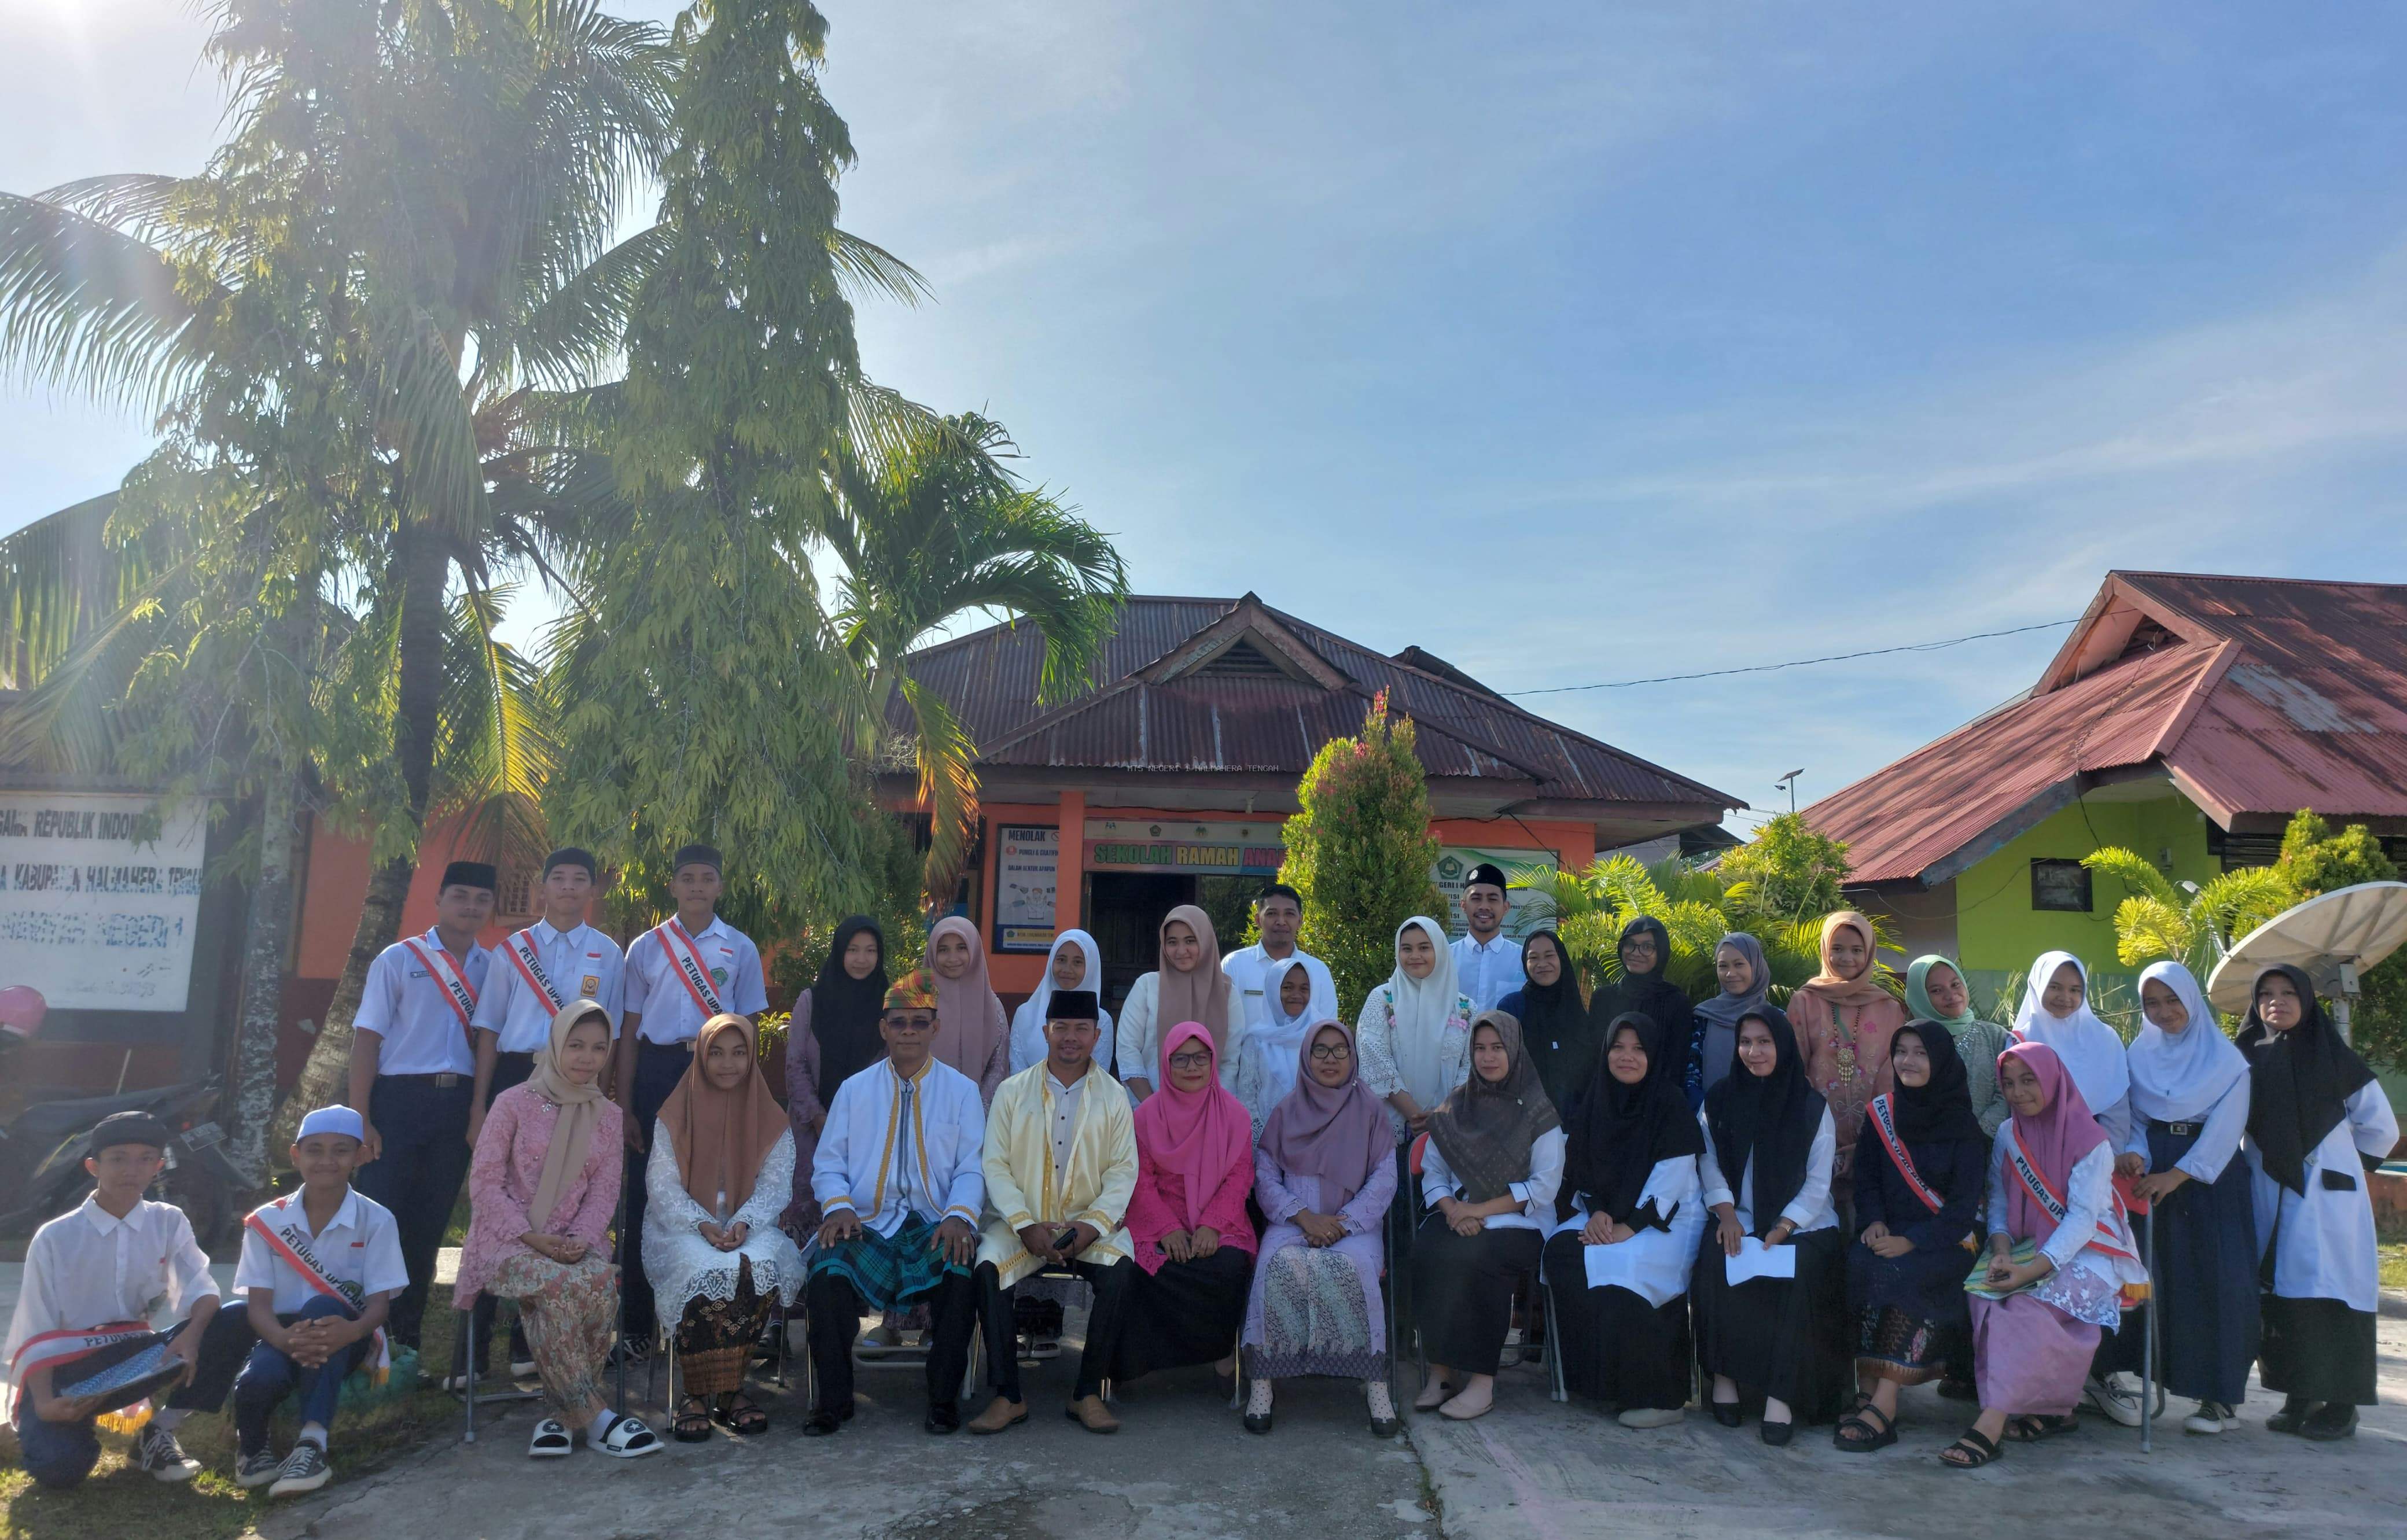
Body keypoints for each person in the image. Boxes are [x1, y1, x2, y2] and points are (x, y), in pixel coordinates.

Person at [3, 1112, 257, 1488]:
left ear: (158, 1167)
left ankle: (156, 1435)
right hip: (66, 1372)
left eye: (144, 1159)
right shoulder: (56, 1237)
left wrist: (192, 1335)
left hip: (134, 1360)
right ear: (93, 1166)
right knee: (58, 1470)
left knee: (235, 1318)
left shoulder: (168, 1221)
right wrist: (43, 1403)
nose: (131, 1170)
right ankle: (70, 1431)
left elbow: (200, 1290)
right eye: (118, 1158)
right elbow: (35, 1328)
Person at [457, 1002, 658, 1458]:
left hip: (572, 1244)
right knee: (561, 1288)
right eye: (576, 1046)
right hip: (506, 1242)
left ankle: (559, 1417)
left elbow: (603, 1195)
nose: (586, 1058)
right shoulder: (512, 1103)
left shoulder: (608, 1116)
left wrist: (580, 1241)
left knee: (601, 1283)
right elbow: (484, 1185)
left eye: (598, 1048)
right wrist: (532, 1238)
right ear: (555, 1044)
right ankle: (598, 1418)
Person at [1941, 1042, 2145, 1469]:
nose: (2017, 1093)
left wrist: (2030, 1271)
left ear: (2053, 1080)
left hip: (2090, 1253)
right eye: (2009, 1083)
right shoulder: (2007, 1134)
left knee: (2025, 1307)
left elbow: (2083, 1219)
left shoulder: (2091, 1140)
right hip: (2026, 1244)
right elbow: (1997, 1198)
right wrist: (2000, 1251)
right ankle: (2055, 1410)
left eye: (2028, 1080)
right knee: (1986, 1295)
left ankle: (1990, 1425)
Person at [804, 974, 987, 1436]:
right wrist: (839, 1207)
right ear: (883, 1028)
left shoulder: (963, 1092)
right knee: (826, 1271)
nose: (909, 1031)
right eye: (899, 1022)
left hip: (932, 1223)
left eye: (919, 1023)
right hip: (867, 1222)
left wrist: (959, 1216)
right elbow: (827, 1165)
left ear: (935, 1029)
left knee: (962, 1270)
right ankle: (834, 1401)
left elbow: (973, 1168)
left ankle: (943, 1399)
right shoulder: (853, 1090)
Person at [464, 846, 620, 1386]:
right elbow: (488, 1028)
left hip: (578, 1085)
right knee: (500, 1203)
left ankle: (528, 1345)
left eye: (581, 879)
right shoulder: (513, 949)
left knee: (559, 1199)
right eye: (560, 879)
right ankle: (474, 1352)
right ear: (542, 888)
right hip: (517, 1078)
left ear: (593, 890)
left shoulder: (607, 953)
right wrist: (480, 1104)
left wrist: (604, 1096)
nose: (570, 888)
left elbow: (611, 1037)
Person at [615, 845, 770, 1347]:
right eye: (688, 878)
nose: (698, 887)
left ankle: (713, 1319)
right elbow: (631, 1028)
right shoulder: (646, 947)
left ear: (721, 887)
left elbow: (749, 1026)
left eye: (707, 878)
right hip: (658, 1070)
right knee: (646, 1191)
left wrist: (746, 1091)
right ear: (673, 886)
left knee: (716, 1184)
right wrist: (625, 1102)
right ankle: (638, 1323)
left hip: (716, 1069)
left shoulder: (740, 948)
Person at [969, 992, 1141, 1435]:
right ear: (1045, 1032)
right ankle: (1008, 1396)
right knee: (988, 1267)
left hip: (1088, 1226)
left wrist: (1093, 1224)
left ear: (1097, 1036)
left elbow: (1124, 1169)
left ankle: (1086, 1393)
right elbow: (995, 1163)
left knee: (1121, 1270)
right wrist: (1024, 1224)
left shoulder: (1114, 1097)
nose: (1071, 1038)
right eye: (1061, 1027)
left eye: (1081, 1029)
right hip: (1022, 1224)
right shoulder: (1012, 1092)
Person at [2096, 960, 2255, 1435]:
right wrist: (2136, 1155)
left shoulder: (2228, 1061)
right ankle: (2141, 1381)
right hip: (2154, 1175)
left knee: (2217, 1282)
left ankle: (2219, 1399)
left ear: (2190, 1000)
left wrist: (2176, 1176)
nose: (2164, 1012)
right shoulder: (2139, 1055)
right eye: (2152, 1003)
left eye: (2172, 1000)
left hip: (2210, 1178)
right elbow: (2140, 1118)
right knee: (2158, 1279)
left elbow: (2228, 1130)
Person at [2241, 963, 2397, 1442]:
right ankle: (2298, 1395)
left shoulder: (2336, 1058)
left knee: (2333, 1292)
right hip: (2269, 1189)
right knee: (2283, 1294)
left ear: (2308, 1000)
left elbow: (2382, 1129)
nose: (2277, 1002)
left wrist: (2342, 1162)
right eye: (2266, 993)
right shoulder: (2243, 1058)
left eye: (2289, 993)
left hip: (2328, 1198)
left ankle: (2343, 1405)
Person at [347, 859, 494, 1361]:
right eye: (461, 895)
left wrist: (478, 1113)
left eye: (481, 899)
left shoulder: (492, 967)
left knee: (430, 1224)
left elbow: (488, 1047)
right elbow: (367, 1041)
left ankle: (405, 1343)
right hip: (397, 1101)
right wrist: (360, 1118)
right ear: (439, 899)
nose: (470, 906)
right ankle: (360, 1340)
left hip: (456, 1106)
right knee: (381, 1218)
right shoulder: (398, 958)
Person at [642, 1013, 805, 1442]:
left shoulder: (771, 1117)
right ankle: (696, 1393)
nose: (728, 1063)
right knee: (701, 1271)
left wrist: (744, 1222)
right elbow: (661, 1186)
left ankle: (733, 1389)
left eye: (739, 1053)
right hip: (680, 1225)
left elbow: (776, 1184)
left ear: (752, 1058)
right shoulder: (674, 1113)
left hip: (750, 1223)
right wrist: (701, 1224)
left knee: (758, 1268)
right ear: (700, 1056)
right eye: (716, 1053)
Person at [230, 1106, 409, 1496]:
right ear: (295, 1156)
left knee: (324, 1309)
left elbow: (380, 1306)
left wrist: (353, 1330)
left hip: (349, 1330)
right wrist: (283, 1340)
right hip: (284, 1331)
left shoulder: (377, 1220)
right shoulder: (266, 1222)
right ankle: (253, 1450)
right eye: (314, 1150)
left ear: (360, 1156)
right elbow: (258, 1307)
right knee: (260, 1377)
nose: (327, 1161)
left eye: (341, 1150)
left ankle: (312, 1446)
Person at [1541, 1014, 1707, 1428]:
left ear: (1653, 1056)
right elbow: (1583, 1167)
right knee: (1563, 1253)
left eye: (1638, 1049)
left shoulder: (1669, 1105)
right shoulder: (1597, 1100)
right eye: (1618, 1047)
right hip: (1607, 1215)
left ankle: (1660, 1396)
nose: (1627, 1057)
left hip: (1667, 1220)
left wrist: (1627, 1227)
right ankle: (1596, 1385)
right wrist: (1599, 1211)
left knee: (1620, 1269)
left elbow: (1671, 1181)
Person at [1694, 1005, 1848, 1443]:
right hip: (1738, 1216)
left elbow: (1820, 1182)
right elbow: (1707, 1161)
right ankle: (1724, 1379)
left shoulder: (1810, 1106)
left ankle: (1781, 1396)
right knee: (1714, 1258)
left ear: (1783, 1046)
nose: (1754, 1052)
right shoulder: (1719, 1099)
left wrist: (1783, 1227)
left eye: (1765, 1042)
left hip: (1803, 1222)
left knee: (1799, 1275)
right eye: (1746, 1042)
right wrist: (1726, 1213)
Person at [1836, 1020, 1988, 1452]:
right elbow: (1866, 1180)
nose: (1908, 1061)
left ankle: (1884, 1406)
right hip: (1891, 1232)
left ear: (1940, 1061)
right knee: (1860, 1263)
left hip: (1947, 1241)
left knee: (1900, 1274)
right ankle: (1867, 1387)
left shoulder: (1964, 1128)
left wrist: (1913, 1240)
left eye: (1920, 1052)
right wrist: (1874, 1222)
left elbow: (1962, 1210)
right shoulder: (1882, 1113)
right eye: (1901, 1050)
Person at [1244, 1018, 1401, 1436]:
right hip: (1292, 1222)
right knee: (1273, 1266)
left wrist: (1343, 1225)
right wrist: (1303, 1216)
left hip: (1354, 1226)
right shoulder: (1285, 1110)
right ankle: (1263, 1385)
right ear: (1306, 1057)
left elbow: (1385, 1179)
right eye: (1320, 1050)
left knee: (1357, 1271)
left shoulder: (1371, 1112)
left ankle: (1375, 1385)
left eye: (1340, 1050)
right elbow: (1265, 1175)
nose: (1330, 1059)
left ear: (1353, 1056)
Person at [1411, 1012, 1563, 1422]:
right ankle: (1441, 1373)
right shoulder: (1456, 1106)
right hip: (1459, 1212)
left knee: (1480, 1258)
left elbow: (1544, 1187)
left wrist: (1477, 1209)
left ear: (1514, 1049)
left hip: (1522, 1222)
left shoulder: (1538, 1109)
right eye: (1480, 1048)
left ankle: (1481, 1382)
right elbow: (1435, 1173)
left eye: (1497, 1047)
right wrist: (1453, 1211)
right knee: (1427, 1250)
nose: (1488, 1057)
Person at [1114, 1022, 1258, 1389]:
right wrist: (1168, 1227)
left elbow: (1239, 1178)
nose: (1192, 1067)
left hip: (1219, 1224)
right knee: (1139, 1269)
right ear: (1165, 1064)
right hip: (1160, 1221)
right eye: (1181, 1059)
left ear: (1213, 1061)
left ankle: (1220, 1349)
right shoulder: (1146, 1117)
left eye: (1200, 1058)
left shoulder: (1235, 1116)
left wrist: (1212, 1224)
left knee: (1228, 1266)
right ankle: (1146, 1360)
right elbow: (1139, 1181)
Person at [1783, 911, 1905, 1197]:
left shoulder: (1889, 1008)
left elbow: (1892, 1073)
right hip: (1816, 1131)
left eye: (1857, 950)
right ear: (1825, 950)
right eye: (1837, 949)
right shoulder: (1805, 1001)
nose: (1846, 958)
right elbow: (1794, 1066)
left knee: (1869, 1210)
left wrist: (1870, 1136)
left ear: (1869, 953)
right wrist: (1819, 1129)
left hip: (1876, 1132)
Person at [782, 916, 889, 1232]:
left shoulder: (890, 1003)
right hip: (811, 1129)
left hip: (869, 1129)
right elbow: (795, 1063)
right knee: (808, 1202)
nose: (861, 959)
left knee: (861, 1210)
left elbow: (889, 1062)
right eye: (853, 949)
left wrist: (853, 1120)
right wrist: (818, 1117)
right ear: (839, 951)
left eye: (870, 951)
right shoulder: (812, 1001)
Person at [1359, 916, 1476, 1145]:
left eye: (1424, 948)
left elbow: (1471, 1067)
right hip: (1391, 1131)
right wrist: (1417, 1116)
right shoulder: (1382, 1000)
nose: (1415, 956)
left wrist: (1441, 1115)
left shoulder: (1465, 1008)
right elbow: (1376, 1061)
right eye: (1407, 949)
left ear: (1440, 950)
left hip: (1450, 1130)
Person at [1116, 905, 1243, 1100]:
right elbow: (1128, 1050)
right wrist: (1154, 1106)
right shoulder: (1147, 987)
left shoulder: (1226, 992)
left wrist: (1210, 1110)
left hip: (1209, 1114)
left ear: (1206, 941)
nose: (1181, 951)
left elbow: (1229, 1061)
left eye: (1190, 941)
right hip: (1149, 1109)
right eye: (1172, 942)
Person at [2009, 950, 2132, 1147]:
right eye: (2055, 987)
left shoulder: (2105, 1039)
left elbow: (2116, 1109)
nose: (2065, 997)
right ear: (2038, 985)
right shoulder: (2020, 1043)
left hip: (2097, 1150)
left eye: (2075, 990)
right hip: (2037, 1150)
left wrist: (2109, 1159)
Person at [1585, 917, 1693, 1105]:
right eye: (1630, 945)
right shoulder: (1603, 998)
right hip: (1608, 1102)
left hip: (1657, 1106)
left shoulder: (1676, 1002)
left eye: (1647, 947)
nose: (1636, 953)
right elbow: (1596, 1057)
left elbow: (1676, 1064)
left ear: (1661, 951)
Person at [1905, 956, 2014, 1138]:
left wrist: (1977, 1134)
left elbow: (2006, 1091)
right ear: (1920, 996)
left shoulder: (1995, 1035)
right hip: (1927, 1146)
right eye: (1937, 990)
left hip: (1986, 1147)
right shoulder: (1909, 1039)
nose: (1951, 995)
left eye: (1955, 985)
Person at [1222, 883, 1339, 1042]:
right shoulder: (1235, 965)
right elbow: (1224, 1029)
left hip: (1303, 1065)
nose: (1281, 921)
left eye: (1290, 914)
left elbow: (1327, 1031)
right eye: (1272, 914)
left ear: (1300, 920)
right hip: (1248, 1064)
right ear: (1258, 919)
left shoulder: (1318, 971)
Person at [1497, 929, 1591, 1116]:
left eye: (1549, 955)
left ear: (1561, 959)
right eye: (1534, 958)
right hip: (1525, 1120)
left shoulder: (1576, 1010)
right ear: (1526, 963)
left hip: (1575, 1122)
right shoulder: (1513, 1007)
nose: (1542, 964)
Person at [1010, 927, 1118, 1077]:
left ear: (1091, 967)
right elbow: (1017, 1077)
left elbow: (1097, 1079)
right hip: (1027, 1099)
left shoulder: (1102, 1020)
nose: (1067, 969)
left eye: (1078, 962)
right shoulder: (1026, 1014)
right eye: (1061, 960)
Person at [926, 915, 1011, 1104]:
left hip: (979, 1114)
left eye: (961, 948)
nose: (953, 958)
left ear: (974, 950)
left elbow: (998, 1068)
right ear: (932, 953)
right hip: (924, 1109)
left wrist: (974, 1112)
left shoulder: (992, 1007)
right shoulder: (919, 1004)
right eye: (943, 950)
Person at [1684, 932, 1771, 1110]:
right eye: (1723, 966)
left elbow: (1784, 1074)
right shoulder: (1703, 1017)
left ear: (1756, 966)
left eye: (1739, 964)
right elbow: (1691, 1075)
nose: (1731, 973)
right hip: (1709, 1119)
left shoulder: (1774, 1019)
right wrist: (1709, 1113)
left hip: (1764, 1118)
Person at [1235, 957, 1317, 1133]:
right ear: (1272, 989)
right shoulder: (1256, 1039)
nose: (1296, 995)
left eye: (1304, 989)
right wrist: (1263, 1142)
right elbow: (1247, 1098)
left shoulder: (1320, 1034)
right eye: (1287, 987)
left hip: (1316, 1138)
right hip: (1268, 1140)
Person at [1449, 864, 1524, 1012]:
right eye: (1476, 899)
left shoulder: (1522, 960)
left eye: (1493, 899)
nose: (1484, 906)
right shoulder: (1445, 958)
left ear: (1506, 908)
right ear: (1463, 905)